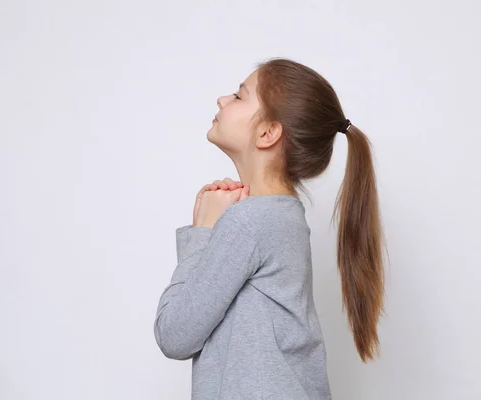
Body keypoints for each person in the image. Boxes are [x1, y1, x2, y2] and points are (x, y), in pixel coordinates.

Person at [153, 58, 385, 400]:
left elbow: (173, 334)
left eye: (238, 95)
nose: (222, 99)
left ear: (267, 133)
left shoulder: (249, 222)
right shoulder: (281, 217)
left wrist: (202, 232)